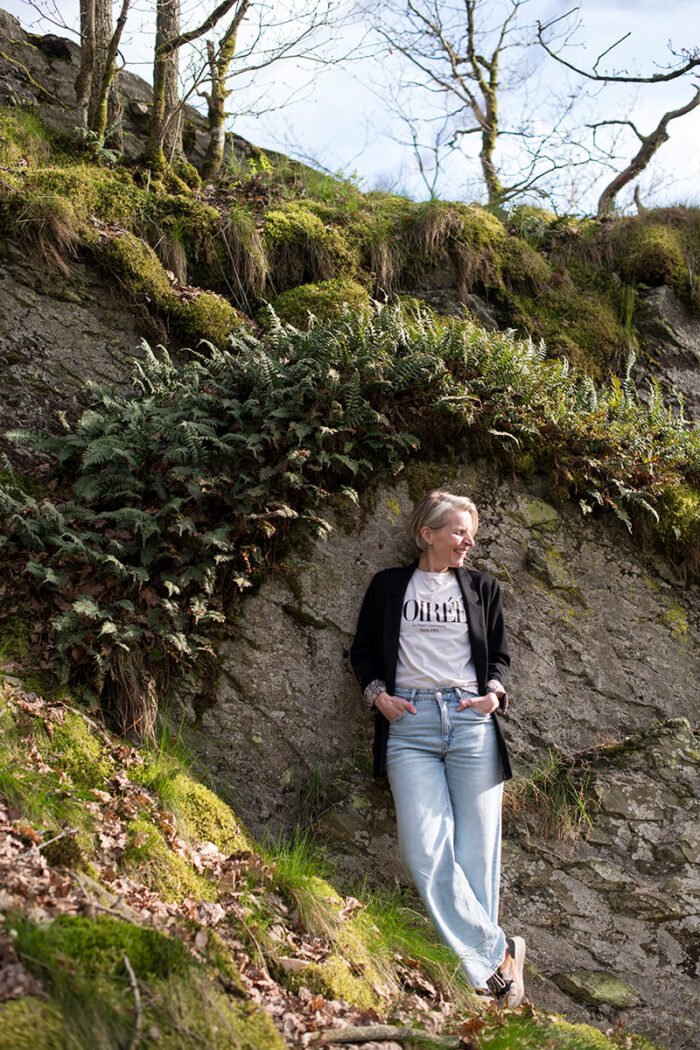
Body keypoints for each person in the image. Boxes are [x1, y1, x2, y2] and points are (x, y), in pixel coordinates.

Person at [350, 489, 525, 1008]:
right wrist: (377, 696)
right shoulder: (387, 587)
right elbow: (362, 651)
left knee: (477, 856)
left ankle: (482, 987)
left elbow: (500, 656)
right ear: (428, 534)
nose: (468, 541)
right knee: (424, 849)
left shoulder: (482, 588)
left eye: (471, 533)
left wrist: (494, 693)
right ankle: (499, 954)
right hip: (411, 725)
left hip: (471, 724)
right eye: (458, 532)